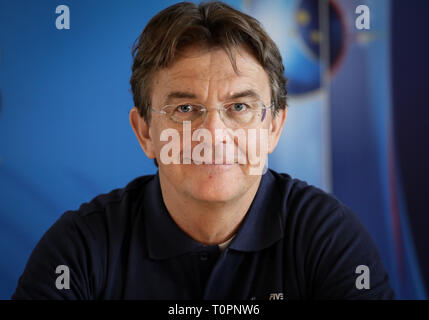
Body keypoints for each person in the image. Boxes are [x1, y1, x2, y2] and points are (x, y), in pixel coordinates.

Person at [12, 1, 394, 299]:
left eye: (239, 108)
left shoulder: (328, 238)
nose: (213, 134)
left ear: (274, 127)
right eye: (185, 109)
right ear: (145, 131)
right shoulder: (79, 248)